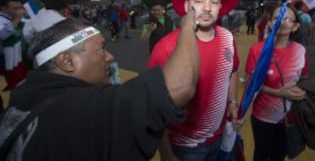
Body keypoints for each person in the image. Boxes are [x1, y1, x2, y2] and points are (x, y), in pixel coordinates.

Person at [0, 9, 200, 160]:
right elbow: (179, 85)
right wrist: (188, 27)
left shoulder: (22, 99)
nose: (110, 57)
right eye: (101, 49)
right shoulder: (79, 109)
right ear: (67, 61)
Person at [148, 0, 241, 161]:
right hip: (184, 147)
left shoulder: (228, 38)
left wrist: (232, 102)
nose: (207, 8)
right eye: (199, 1)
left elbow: (233, 71)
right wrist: (167, 153)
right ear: (187, 5)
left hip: (220, 138)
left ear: (221, 7)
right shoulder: (167, 47)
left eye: (214, 2)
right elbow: (153, 106)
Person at [245, 3, 308, 161]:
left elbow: (304, 81)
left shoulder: (300, 51)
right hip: (263, 116)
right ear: (271, 22)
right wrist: (278, 92)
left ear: (295, 27)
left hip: (289, 117)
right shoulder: (257, 50)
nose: (281, 21)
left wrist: (300, 92)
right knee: (261, 154)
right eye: (277, 17)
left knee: (278, 155)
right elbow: (250, 86)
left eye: (287, 19)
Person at [0, 0, 26, 91]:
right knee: (14, 84)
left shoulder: (12, 18)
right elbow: (3, 35)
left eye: (19, 8)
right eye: (15, 8)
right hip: (5, 58)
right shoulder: (2, 19)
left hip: (17, 56)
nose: (18, 11)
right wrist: (17, 19)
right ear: (3, 8)